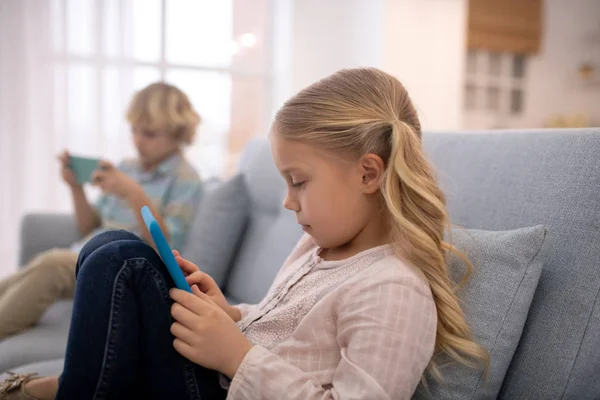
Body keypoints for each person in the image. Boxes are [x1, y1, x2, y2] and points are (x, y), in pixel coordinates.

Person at [0, 68, 488, 400]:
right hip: (217, 370)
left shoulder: (393, 288)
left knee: (120, 261)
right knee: (111, 247)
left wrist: (239, 357)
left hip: (226, 386)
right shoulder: (316, 247)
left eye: (299, 182)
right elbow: (291, 329)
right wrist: (231, 313)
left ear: (367, 174)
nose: (287, 201)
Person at [0, 82, 202, 341]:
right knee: (42, 262)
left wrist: (134, 194)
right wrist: (75, 188)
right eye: (134, 131)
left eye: (149, 134)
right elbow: (90, 227)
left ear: (178, 134)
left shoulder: (186, 179)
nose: (138, 141)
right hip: (91, 253)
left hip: (126, 267)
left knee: (52, 263)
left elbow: (168, 249)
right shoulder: (127, 168)